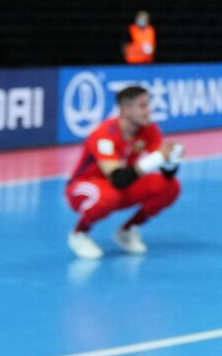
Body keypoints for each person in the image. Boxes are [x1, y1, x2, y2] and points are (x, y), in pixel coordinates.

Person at [65, 86, 183, 259]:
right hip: (83, 188)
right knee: (107, 196)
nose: (149, 110)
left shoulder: (149, 130)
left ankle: (127, 231)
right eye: (142, 106)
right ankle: (79, 234)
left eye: (149, 104)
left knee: (170, 187)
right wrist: (157, 158)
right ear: (125, 109)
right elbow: (118, 179)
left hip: (118, 188)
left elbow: (167, 175)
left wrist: (172, 159)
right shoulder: (104, 134)